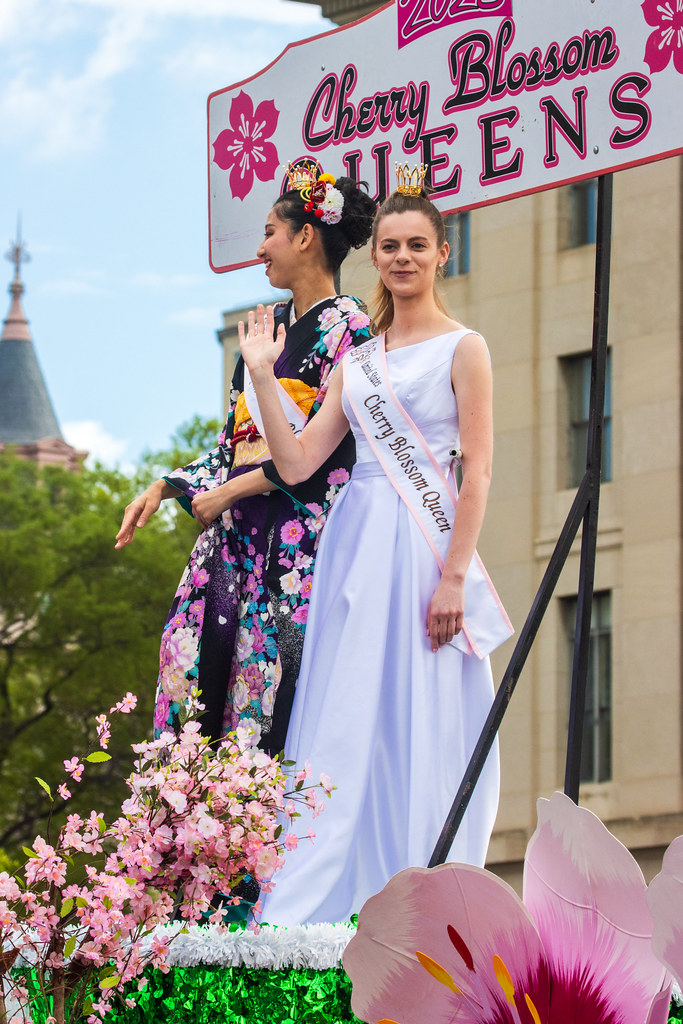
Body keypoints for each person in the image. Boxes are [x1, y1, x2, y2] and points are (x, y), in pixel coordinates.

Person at [239, 174, 513, 925]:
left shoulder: (466, 347)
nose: (401, 258)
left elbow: (479, 469)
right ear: (376, 258)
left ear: (440, 254)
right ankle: (320, 898)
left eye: (415, 246)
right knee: (344, 707)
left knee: (422, 710)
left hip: (424, 550)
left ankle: (425, 890)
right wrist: (262, 374)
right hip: (355, 547)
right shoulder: (357, 362)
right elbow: (296, 463)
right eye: (389, 246)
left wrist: (454, 576)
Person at [115, 166, 376, 755]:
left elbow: (323, 448)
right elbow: (236, 443)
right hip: (232, 540)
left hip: (292, 543)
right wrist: (166, 484)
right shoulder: (268, 325)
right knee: (192, 669)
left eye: (269, 233)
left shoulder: (352, 329)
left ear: (305, 237)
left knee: (266, 689)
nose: (259, 249)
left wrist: (233, 490)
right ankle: (188, 821)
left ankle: (253, 835)